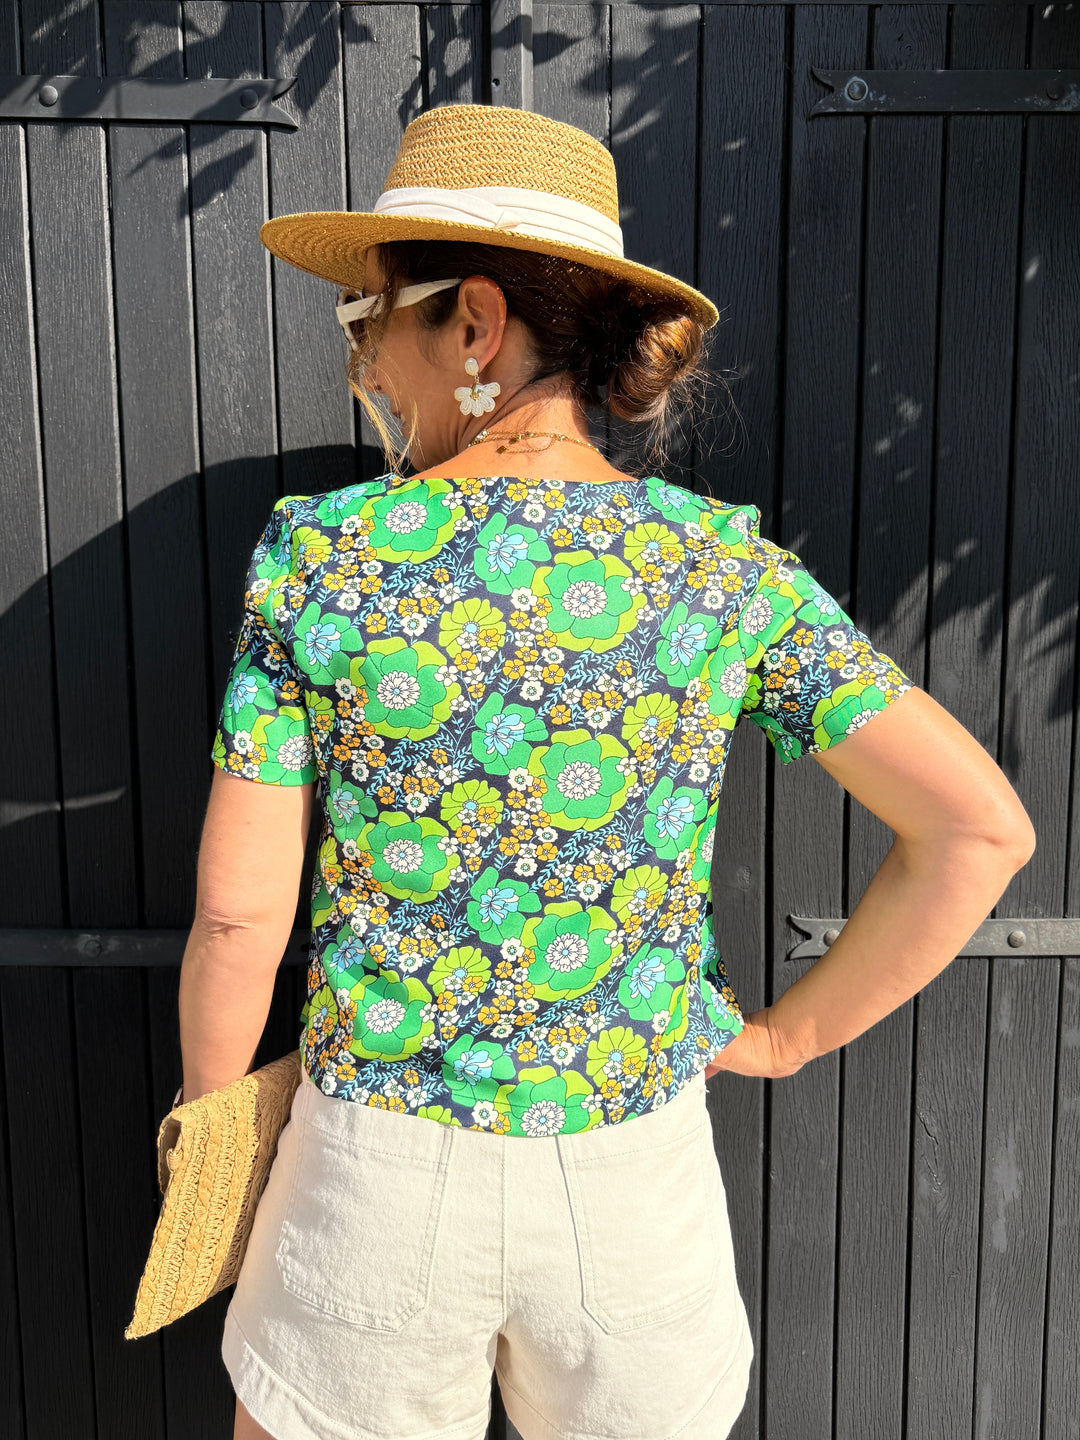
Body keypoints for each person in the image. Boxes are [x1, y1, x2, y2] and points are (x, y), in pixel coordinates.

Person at [177, 104, 1036, 1440]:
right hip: (631, 1180)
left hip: (373, 1174)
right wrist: (783, 1040)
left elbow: (240, 917)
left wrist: (210, 1139)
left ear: (475, 322)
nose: (362, 364)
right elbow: (978, 830)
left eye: (367, 320)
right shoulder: (720, 567)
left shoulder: (324, 556)